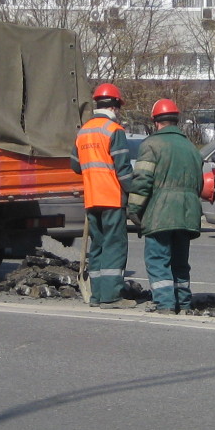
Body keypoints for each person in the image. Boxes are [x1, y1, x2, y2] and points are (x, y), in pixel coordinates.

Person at [128, 99, 203, 312]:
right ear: (176, 120)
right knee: (180, 262)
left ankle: (165, 304)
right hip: (187, 213)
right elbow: (199, 184)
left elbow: (142, 181)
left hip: (160, 213)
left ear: (156, 122)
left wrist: (134, 210)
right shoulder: (191, 148)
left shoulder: (151, 145)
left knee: (158, 260)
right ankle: (184, 303)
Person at [72, 83, 137, 308]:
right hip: (111, 197)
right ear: (114, 106)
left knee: (98, 246)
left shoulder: (83, 131)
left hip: (92, 198)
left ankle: (97, 295)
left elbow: (75, 165)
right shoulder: (114, 130)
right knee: (114, 246)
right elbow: (123, 170)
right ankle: (111, 297)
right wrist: (135, 192)